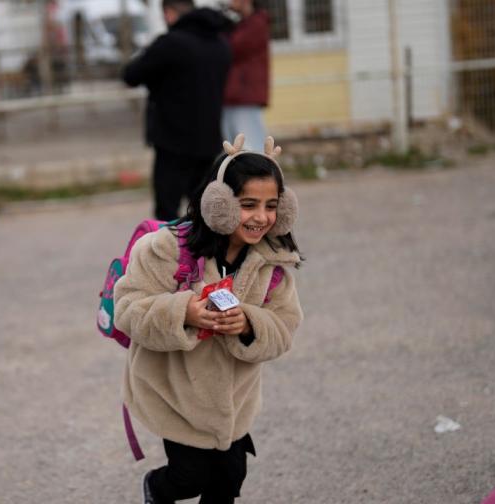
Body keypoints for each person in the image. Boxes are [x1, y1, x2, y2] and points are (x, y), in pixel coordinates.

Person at [114, 134, 303, 503]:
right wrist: (182, 311)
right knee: (190, 476)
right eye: (248, 205)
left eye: (271, 205)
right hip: (176, 394)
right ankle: (156, 488)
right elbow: (127, 307)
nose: (261, 217)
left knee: (230, 477)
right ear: (219, 204)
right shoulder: (169, 249)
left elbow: (285, 326)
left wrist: (250, 323)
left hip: (234, 402)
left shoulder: (274, 262)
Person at [122, 0, 231, 221]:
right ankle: (203, 254)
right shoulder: (221, 43)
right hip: (208, 140)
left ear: (169, 13)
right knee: (203, 211)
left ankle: (169, 255)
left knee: (166, 212)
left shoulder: (170, 44)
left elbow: (131, 75)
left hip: (173, 142)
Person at [221, 0, 270, 152]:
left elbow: (231, 48)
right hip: (233, 96)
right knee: (232, 151)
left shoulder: (256, 24)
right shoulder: (241, 24)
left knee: (252, 148)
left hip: (245, 97)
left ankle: (261, 176)